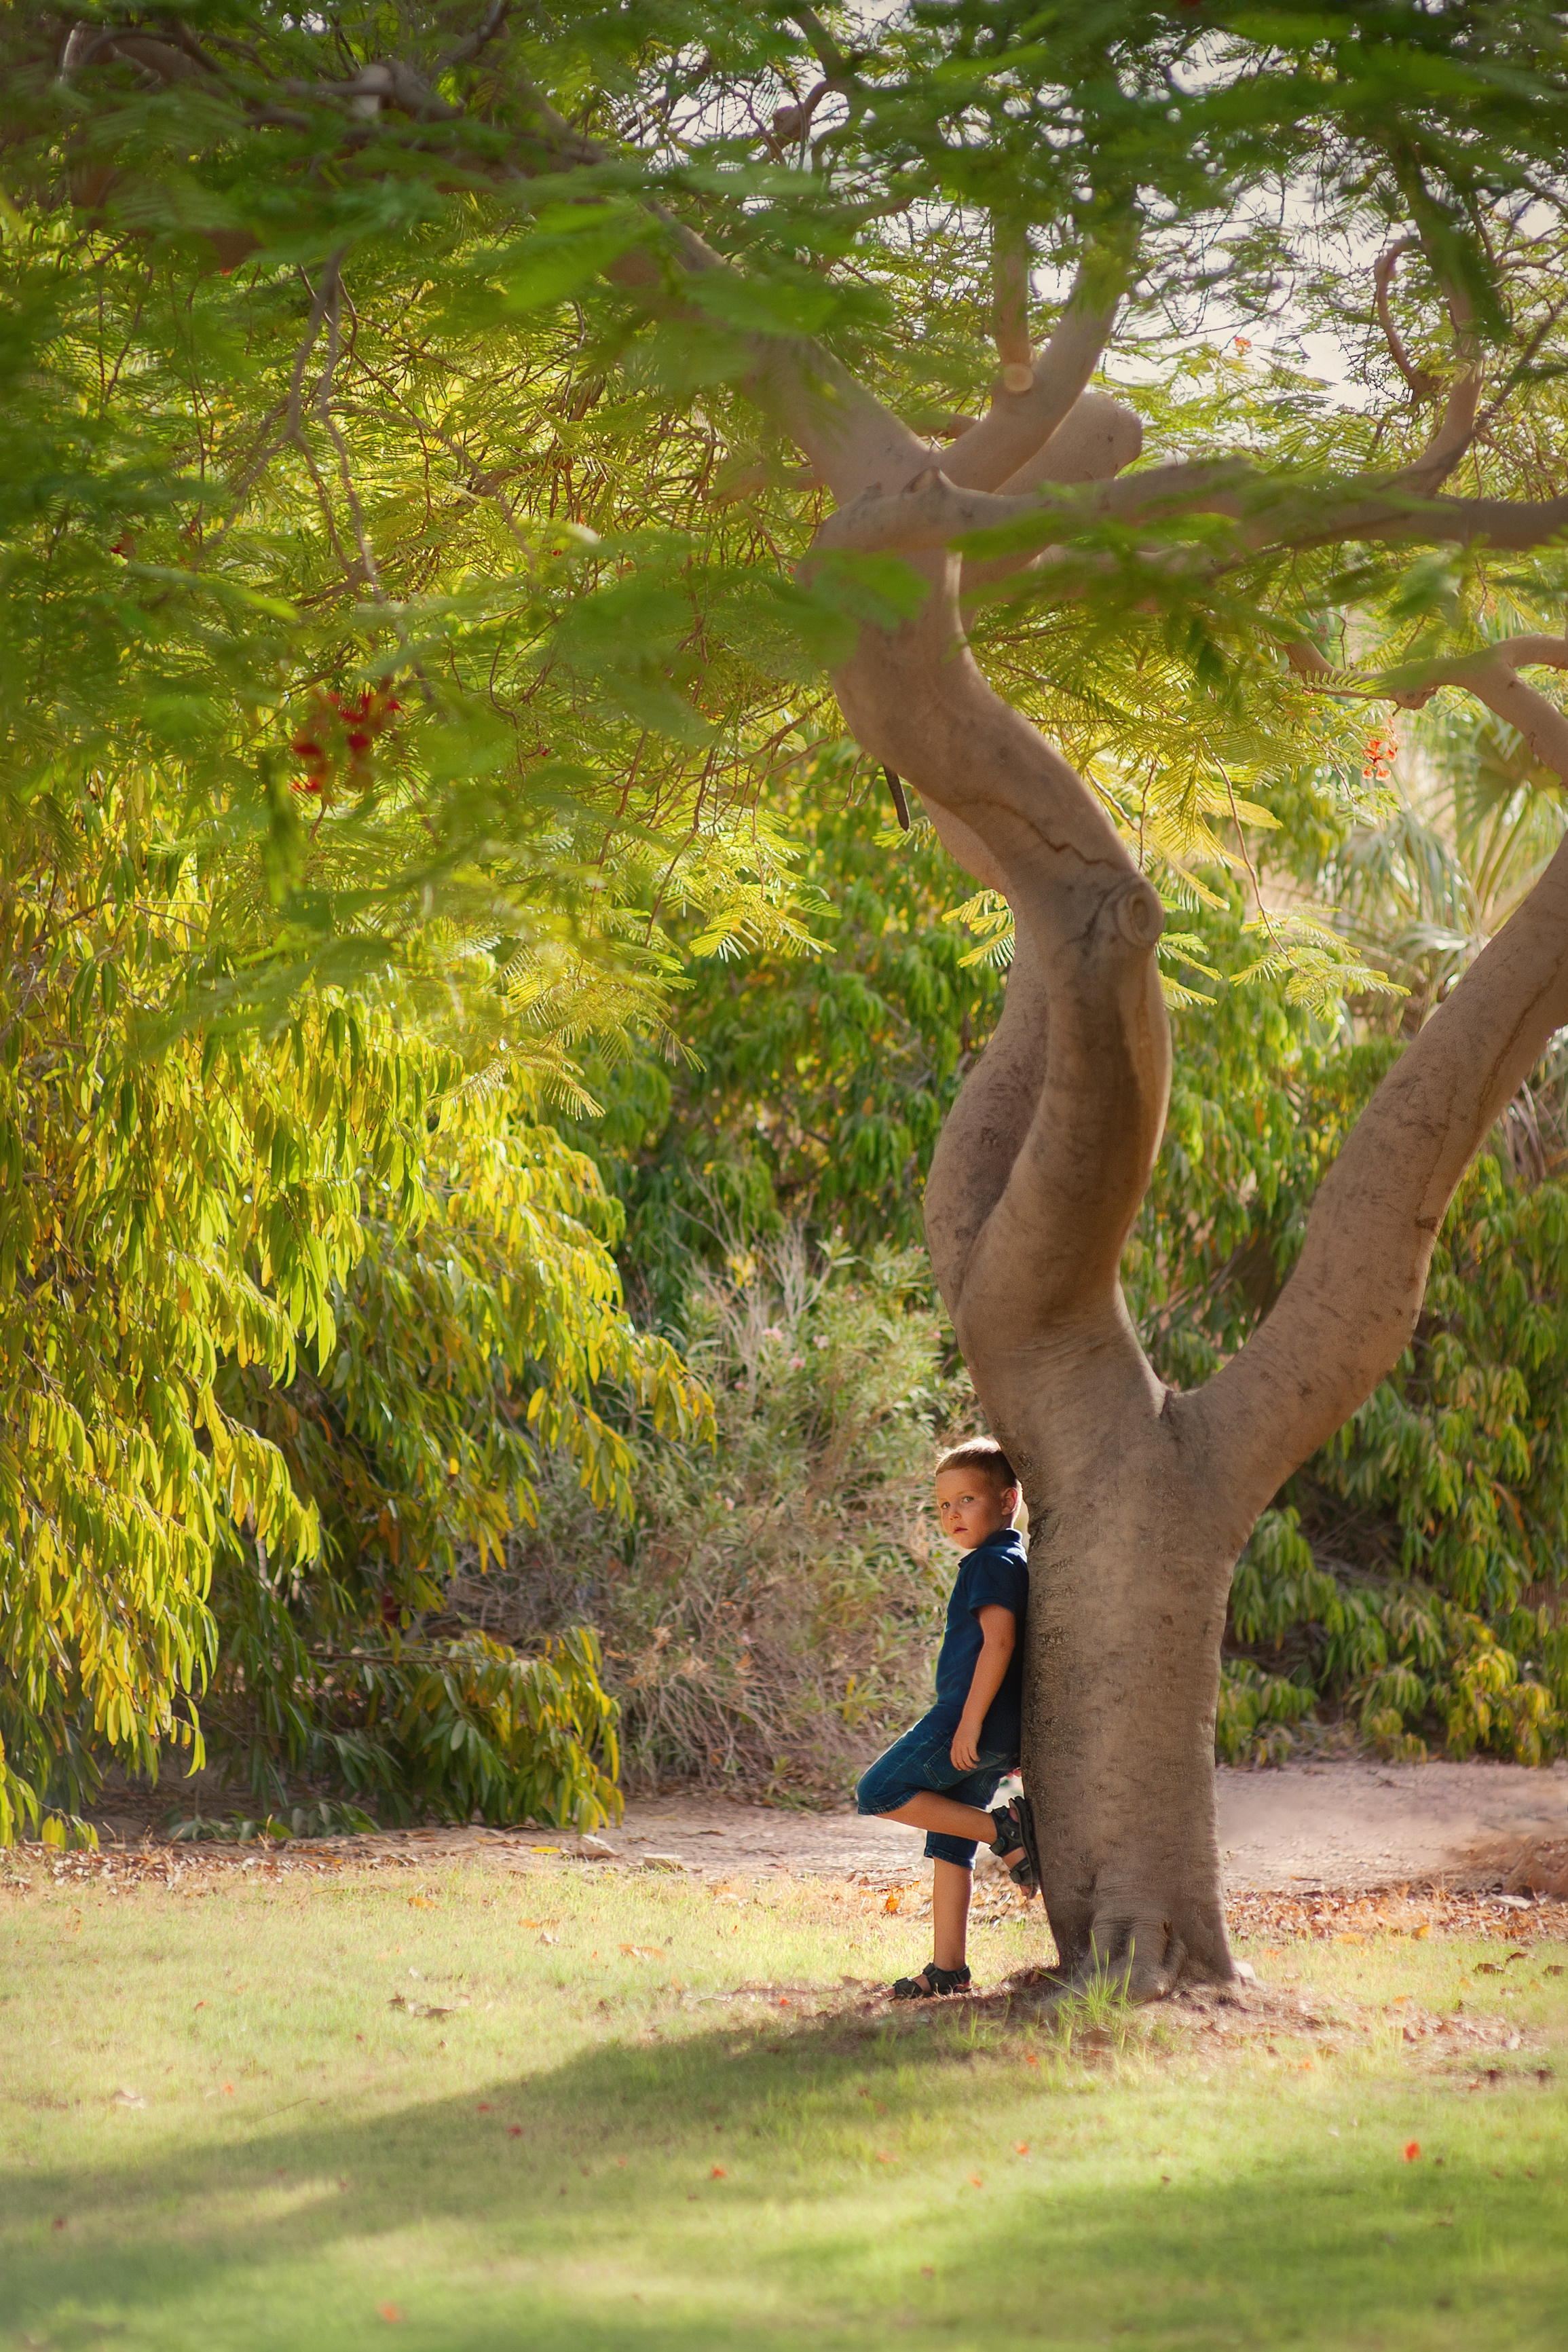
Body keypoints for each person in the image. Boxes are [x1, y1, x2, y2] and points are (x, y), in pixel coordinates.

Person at [855, 1436, 1039, 1999]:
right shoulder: (1012, 1558)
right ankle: (948, 1969)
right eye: (943, 1505)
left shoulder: (988, 1562)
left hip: (967, 1721)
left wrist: (967, 1725)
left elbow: (999, 1642)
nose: (952, 1515)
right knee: (946, 1847)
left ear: (1008, 1500)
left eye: (966, 1500)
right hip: (994, 1728)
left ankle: (1006, 1830)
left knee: (878, 1789)